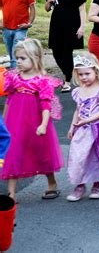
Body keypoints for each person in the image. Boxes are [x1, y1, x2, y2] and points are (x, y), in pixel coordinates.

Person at [0, 39, 63, 201]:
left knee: (42, 152)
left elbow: (46, 105)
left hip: (36, 122)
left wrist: (43, 124)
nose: (18, 62)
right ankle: (11, 193)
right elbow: (8, 100)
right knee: (12, 153)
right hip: (15, 122)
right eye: (17, 58)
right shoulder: (13, 78)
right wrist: (4, 123)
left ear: (35, 58)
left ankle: (52, 183)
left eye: (23, 58)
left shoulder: (42, 81)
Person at [66, 53, 99, 202]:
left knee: (97, 157)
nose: (84, 77)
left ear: (96, 71)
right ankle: (79, 185)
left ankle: (96, 185)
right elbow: (78, 110)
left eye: (87, 73)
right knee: (78, 156)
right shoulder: (79, 91)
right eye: (80, 75)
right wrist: (72, 127)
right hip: (82, 129)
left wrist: (87, 120)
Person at [45, 0, 86, 92]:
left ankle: (67, 81)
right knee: (56, 52)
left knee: (67, 52)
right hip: (56, 25)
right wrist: (49, 1)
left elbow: (82, 9)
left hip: (71, 25)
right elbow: (47, 8)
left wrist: (82, 27)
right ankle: (69, 71)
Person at [0, 0, 36, 68]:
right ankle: (19, 73)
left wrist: (29, 23)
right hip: (6, 27)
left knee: (16, 52)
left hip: (21, 27)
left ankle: (14, 76)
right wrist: (0, 22)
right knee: (11, 53)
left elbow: (33, 8)